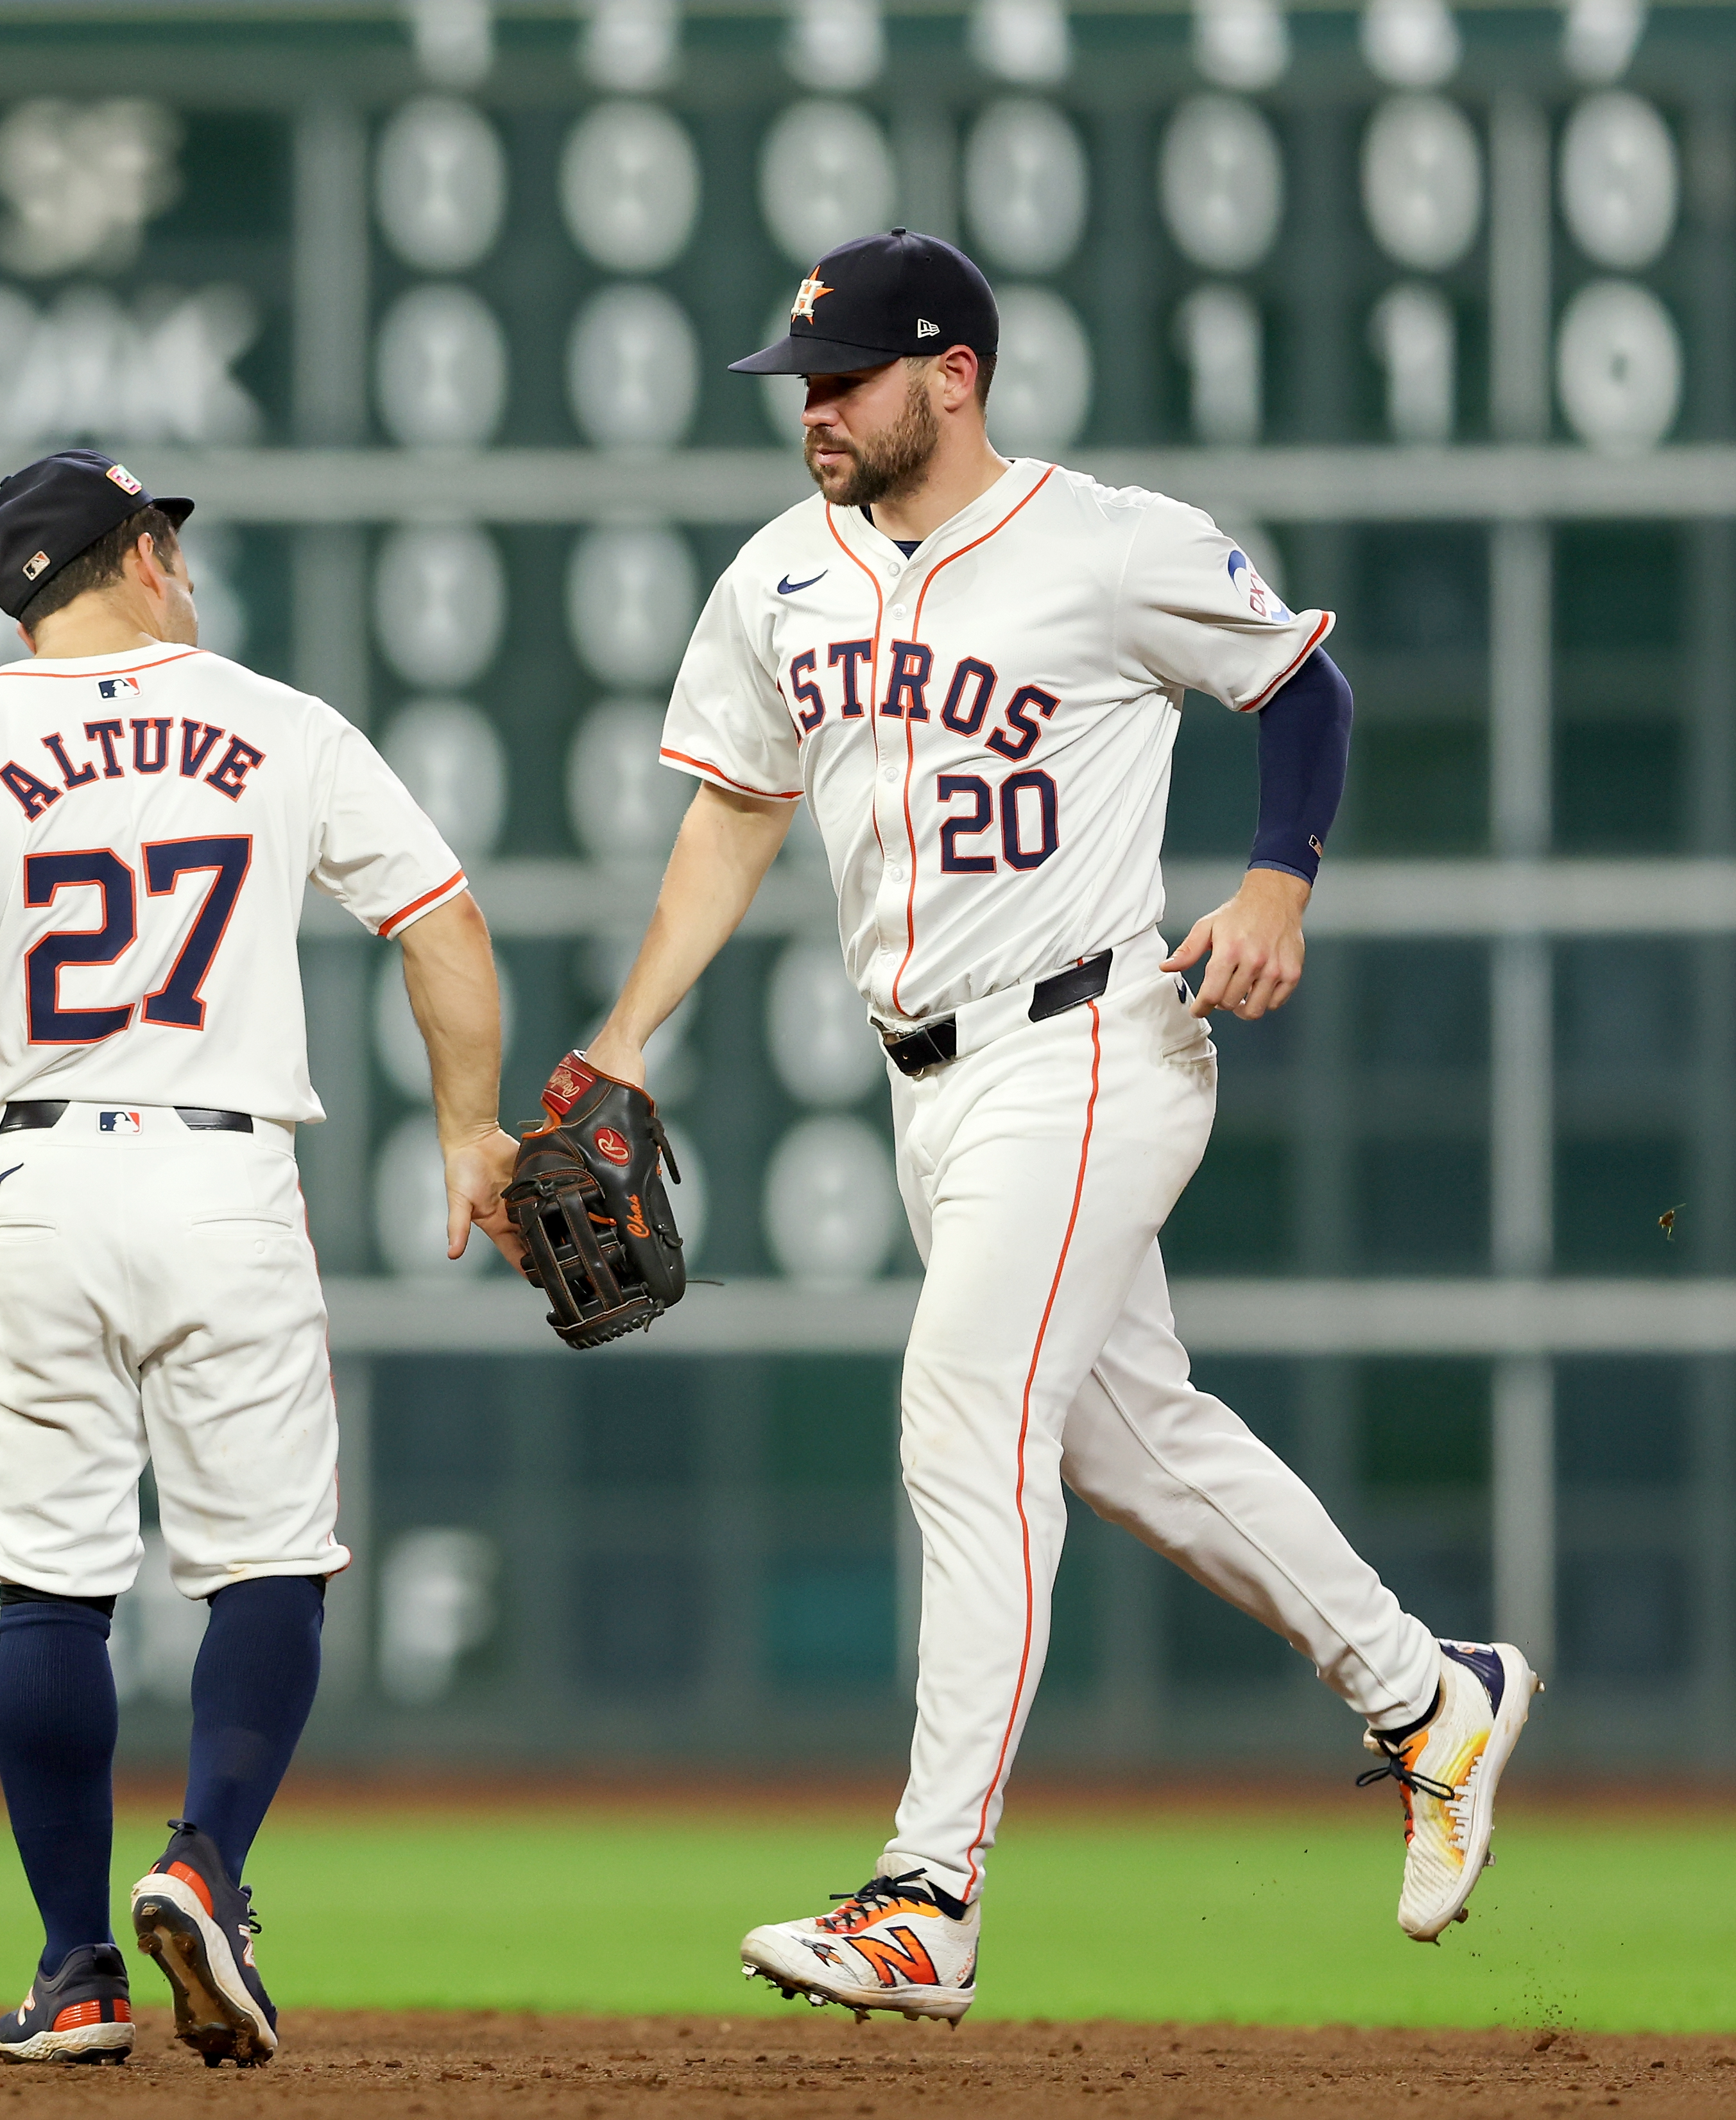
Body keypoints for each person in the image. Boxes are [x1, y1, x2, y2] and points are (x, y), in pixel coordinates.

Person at [572, 230, 1538, 2021]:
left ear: (954, 374)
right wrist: (627, 1035)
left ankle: (927, 1893)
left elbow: (1299, 685)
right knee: (1121, 1438)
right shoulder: (780, 578)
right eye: (801, 386)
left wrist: (1277, 881)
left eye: (845, 379)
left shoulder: (1103, 545)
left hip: (1096, 1042)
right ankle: (1427, 1694)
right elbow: (730, 817)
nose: (816, 414)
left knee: (962, 1409)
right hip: (925, 1088)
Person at [0, 449, 519, 2066]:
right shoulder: (278, 720)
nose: (183, 564)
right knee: (268, 1561)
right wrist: (466, 1127)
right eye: (167, 538)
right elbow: (441, 923)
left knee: (46, 1591)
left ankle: (72, 1972)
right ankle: (202, 1861)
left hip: (35, 1180)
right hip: (222, 1178)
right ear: (133, 553)